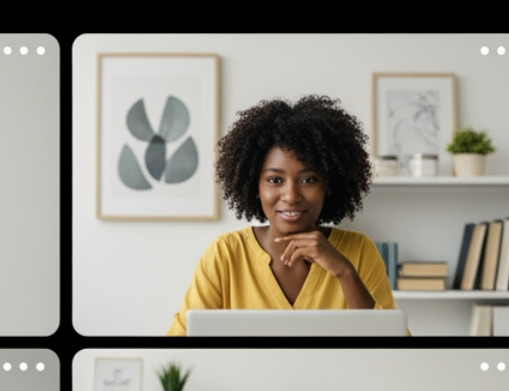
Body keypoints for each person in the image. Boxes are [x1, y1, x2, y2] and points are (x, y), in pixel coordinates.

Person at [167, 95, 398, 335]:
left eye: (308, 180)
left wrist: (344, 272)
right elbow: (181, 342)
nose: (291, 196)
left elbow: (391, 347)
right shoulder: (226, 253)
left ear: (328, 186)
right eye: (275, 180)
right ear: (254, 185)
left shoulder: (359, 251)